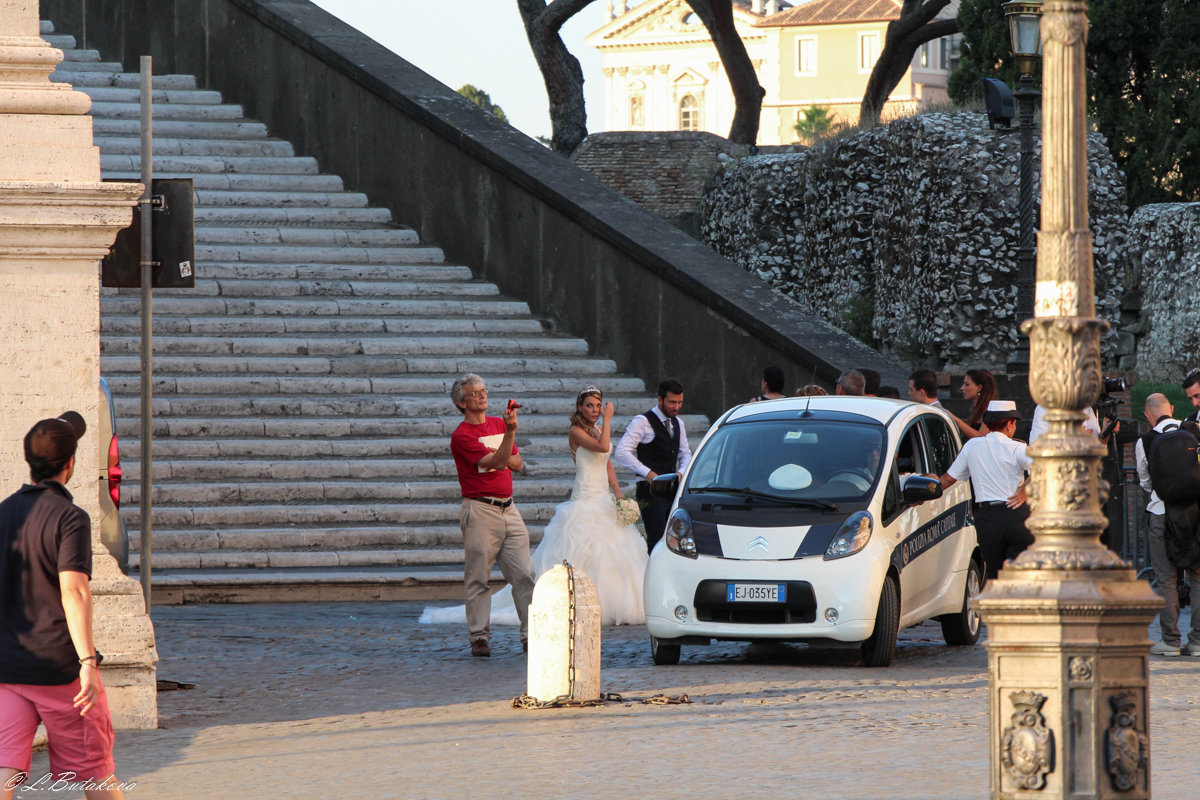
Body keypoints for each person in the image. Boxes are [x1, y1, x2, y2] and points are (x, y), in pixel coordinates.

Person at [423, 387, 649, 627]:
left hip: (602, 497)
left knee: (614, 550)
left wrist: (618, 494)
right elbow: (603, 448)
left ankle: (612, 600)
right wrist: (608, 417)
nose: (594, 410)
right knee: (580, 548)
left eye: (597, 405)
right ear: (580, 408)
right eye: (590, 405)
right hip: (584, 497)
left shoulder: (598, 430)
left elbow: (606, 462)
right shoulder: (576, 432)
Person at [1, 412, 127, 800]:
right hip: (60, 672)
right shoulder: (70, 518)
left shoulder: (3, 512)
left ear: (29, 462)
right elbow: (74, 591)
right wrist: (88, 662)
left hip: (8, 666)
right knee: (95, 775)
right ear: (70, 463)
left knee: (5, 771)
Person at [447, 374, 536, 657]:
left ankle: (531, 636)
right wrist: (508, 439)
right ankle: (479, 636)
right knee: (478, 577)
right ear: (462, 403)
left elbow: (517, 464)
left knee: (524, 575)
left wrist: (502, 447)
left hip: (509, 508)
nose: (482, 395)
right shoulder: (462, 435)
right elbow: (498, 462)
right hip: (480, 509)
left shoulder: (498, 424)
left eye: (484, 390)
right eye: (475, 393)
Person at [1135, 393, 1200, 656]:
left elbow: (1145, 481)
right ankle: (1197, 641)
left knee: (1166, 578)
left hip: (1161, 512)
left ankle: (1170, 641)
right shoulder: (1193, 431)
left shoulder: (1145, 441)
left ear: (1147, 415)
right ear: (1171, 409)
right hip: (1195, 514)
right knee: (1197, 576)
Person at [938, 400, 1033, 579]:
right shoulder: (1018, 448)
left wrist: (924, 492)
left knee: (994, 575)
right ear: (1010, 423)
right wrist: (1024, 490)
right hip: (1017, 515)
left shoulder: (972, 446)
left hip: (988, 519)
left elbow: (947, 480)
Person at [616, 378, 692, 553]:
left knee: (675, 540)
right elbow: (621, 451)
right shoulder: (642, 421)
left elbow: (685, 453)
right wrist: (648, 473)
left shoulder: (678, 423)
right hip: (649, 491)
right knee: (657, 541)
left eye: (680, 402)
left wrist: (681, 473)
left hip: (673, 490)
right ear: (660, 399)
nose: (676, 407)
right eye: (672, 402)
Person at [948, 368, 997, 440]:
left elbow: (982, 438)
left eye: (967, 385)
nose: (962, 388)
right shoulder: (977, 409)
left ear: (979, 388)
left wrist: (955, 419)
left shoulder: (989, 411)